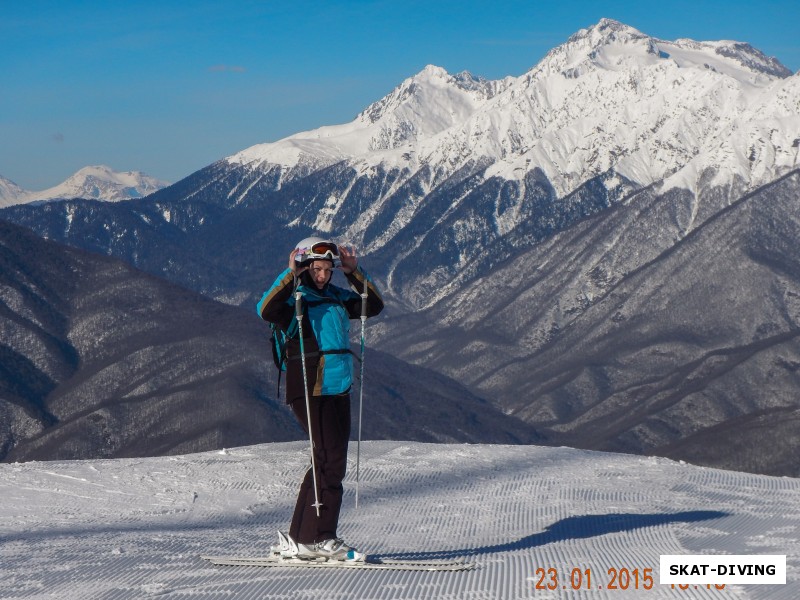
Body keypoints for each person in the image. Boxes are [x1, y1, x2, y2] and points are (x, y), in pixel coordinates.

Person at [256, 236, 384, 561]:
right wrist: (290, 274)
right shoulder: (296, 301)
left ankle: (302, 538)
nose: (323, 275)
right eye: (317, 268)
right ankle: (322, 537)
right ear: (307, 267)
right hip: (309, 387)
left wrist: (354, 272)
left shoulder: (338, 298)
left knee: (329, 462)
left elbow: (374, 305)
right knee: (328, 460)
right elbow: (265, 309)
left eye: (328, 269)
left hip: (339, 386)